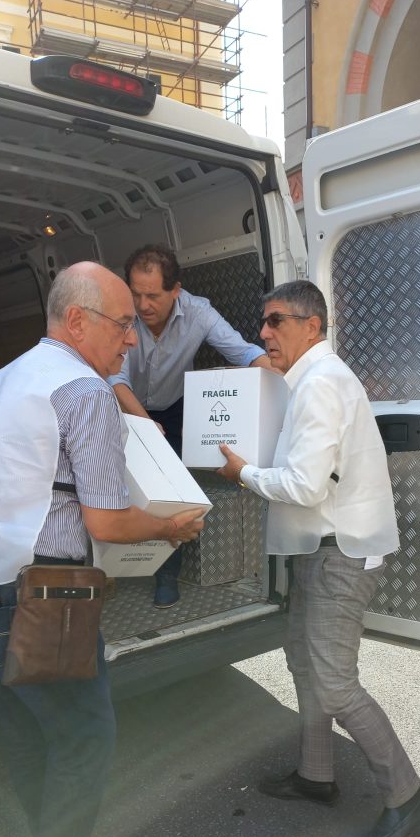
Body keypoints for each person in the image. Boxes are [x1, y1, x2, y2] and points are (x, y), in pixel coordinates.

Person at [0, 262, 204, 837]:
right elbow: (108, 521)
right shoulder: (84, 392)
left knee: (26, 728)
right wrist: (171, 527)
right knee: (85, 737)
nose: (132, 340)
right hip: (39, 597)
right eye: (123, 324)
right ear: (78, 320)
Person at [217, 281, 420, 837]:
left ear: (312, 325)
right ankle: (316, 774)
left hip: (342, 553)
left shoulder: (320, 384)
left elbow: (305, 485)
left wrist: (243, 473)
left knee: (334, 683)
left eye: (276, 320)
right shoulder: (309, 382)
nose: (264, 332)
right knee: (304, 662)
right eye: (263, 321)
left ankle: (406, 795)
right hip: (321, 547)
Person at [108, 243, 271, 609]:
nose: (142, 305)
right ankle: (109, 566)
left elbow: (245, 353)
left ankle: (167, 574)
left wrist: (289, 383)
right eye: (136, 294)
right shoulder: (121, 314)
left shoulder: (199, 312)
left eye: (152, 295)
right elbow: (115, 379)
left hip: (175, 407)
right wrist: (146, 425)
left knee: (175, 491)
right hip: (121, 404)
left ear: (176, 290)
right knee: (112, 483)